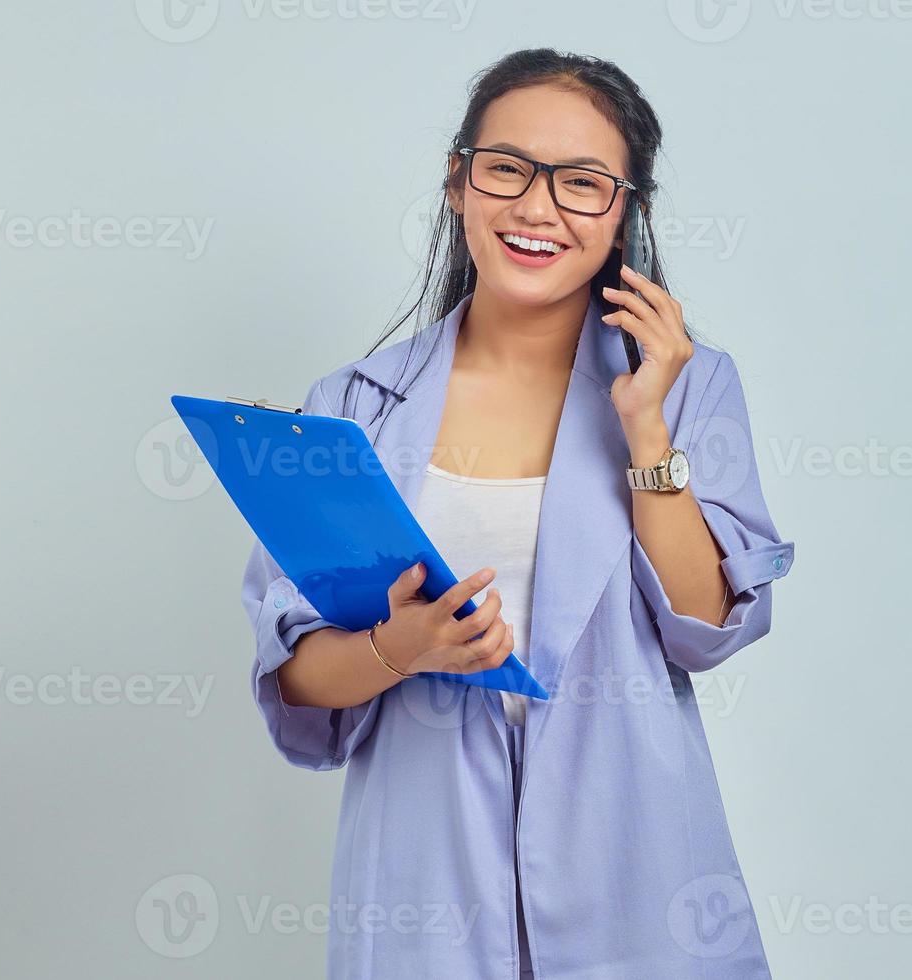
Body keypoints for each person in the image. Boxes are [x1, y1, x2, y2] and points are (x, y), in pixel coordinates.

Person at [241, 48, 795, 979]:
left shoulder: (688, 387)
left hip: (634, 868)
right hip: (423, 876)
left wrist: (646, 429)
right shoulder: (349, 409)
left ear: (626, 212)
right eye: (508, 169)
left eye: (583, 183)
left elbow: (704, 628)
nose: (537, 209)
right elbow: (295, 684)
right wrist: (398, 650)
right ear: (459, 183)